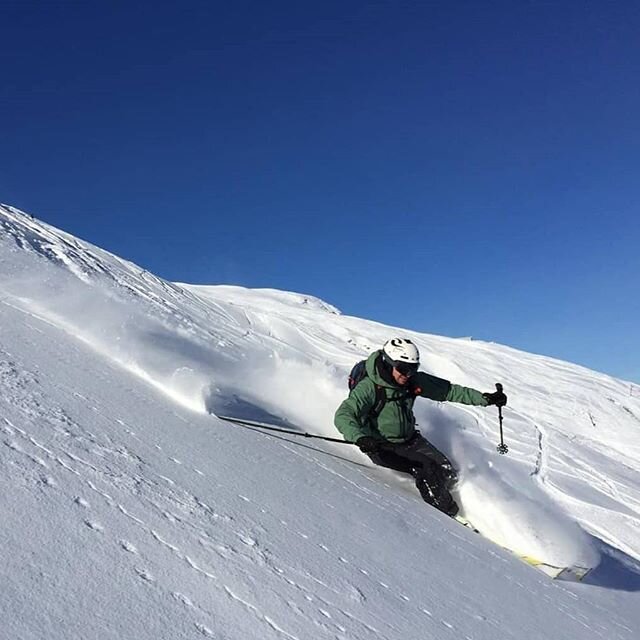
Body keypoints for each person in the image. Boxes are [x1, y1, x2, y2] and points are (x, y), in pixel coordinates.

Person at [334, 338, 507, 517]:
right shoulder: (370, 388)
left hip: (410, 439)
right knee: (425, 468)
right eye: (402, 368)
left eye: (413, 368)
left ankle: (451, 501)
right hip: (380, 445)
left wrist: (486, 399)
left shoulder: (412, 381)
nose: (407, 374)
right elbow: (343, 415)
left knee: (446, 470)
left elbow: (449, 391)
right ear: (388, 362)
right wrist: (361, 438)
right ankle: (448, 517)